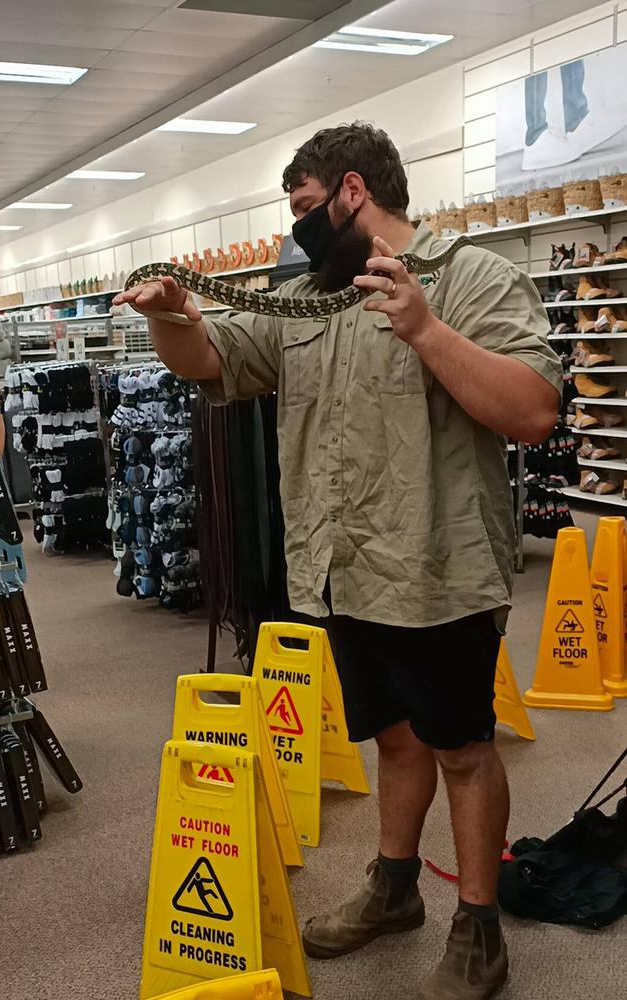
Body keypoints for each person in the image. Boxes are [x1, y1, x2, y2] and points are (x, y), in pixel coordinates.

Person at [114, 122, 562, 1000]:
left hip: (434, 568)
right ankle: (394, 889)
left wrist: (427, 330)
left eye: (306, 208)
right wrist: (170, 314)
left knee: (462, 748)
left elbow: (533, 412)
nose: (298, 229)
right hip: (338, 569)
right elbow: (213, 360)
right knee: (393, 738)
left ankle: (478, 927)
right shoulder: (307, 298)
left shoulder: (472, 277)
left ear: (354, 191)